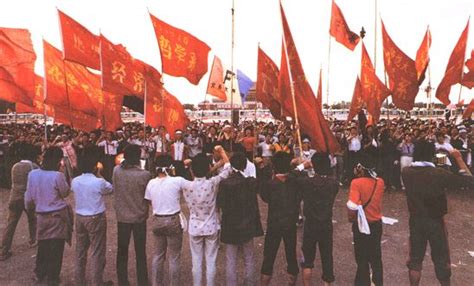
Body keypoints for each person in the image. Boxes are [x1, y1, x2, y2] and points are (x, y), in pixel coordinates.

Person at [402, 141, 474, 286]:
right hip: (435, 221)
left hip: (416, 220)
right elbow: (469, 181)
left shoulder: (406, 172)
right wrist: (459, 158)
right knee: (441, 259)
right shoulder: (439, 174)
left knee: (415, 260)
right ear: (431, 155)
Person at [24, 146, 72, 285]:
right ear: (58, 160)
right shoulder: (57, 176)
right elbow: (65, 193)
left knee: (43, 246)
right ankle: (52, 277)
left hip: (41, 215)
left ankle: (40, 273)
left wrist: (31, 212)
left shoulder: (33, 174)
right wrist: (63, 174)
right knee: (56, 247)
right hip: (57, 216)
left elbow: (28, 198)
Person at [182, 147, 230, 286]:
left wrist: (190, 164)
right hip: (211, 226)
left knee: (196, 262)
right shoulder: (212, 183)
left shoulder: (186, 185)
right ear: (208, 168)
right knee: (211, 261)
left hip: (195, 227)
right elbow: (228, 168)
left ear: (192, 170)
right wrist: (222, 151)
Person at [217, 152, 264, 286]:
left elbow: (220, 204)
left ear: (231, 166)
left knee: (231, 259)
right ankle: (250, 283)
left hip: (230, 224)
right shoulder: (250, 182)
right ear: (245, 166)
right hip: (247, 223)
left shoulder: (225, 183)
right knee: (249, 257)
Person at [259, 152, 305, 286]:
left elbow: (265, 197)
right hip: (290, 224)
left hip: (274, 224)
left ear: (274, 167)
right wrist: (299, 167)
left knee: (269, 257)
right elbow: (299, 177)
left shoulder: (270, 184)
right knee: (291, 256)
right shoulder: (296, 182)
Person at [71, 147, 113, 286]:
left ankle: (79, 281)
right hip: (95, 216)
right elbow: (110, 189)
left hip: (80, 216)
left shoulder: (75, 180)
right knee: (97, 252)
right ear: (95, 167)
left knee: (80, 251)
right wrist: (100, 174)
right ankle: (97, 282)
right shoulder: (98, 181)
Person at [145, 154, 189, 286]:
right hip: (173, 219)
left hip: (158, 219)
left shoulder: (151, 183)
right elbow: (193, 185)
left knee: (158, 255)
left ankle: (156, 283)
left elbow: (149, 201)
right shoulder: (177, 181)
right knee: (174, 257)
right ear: (170, 167)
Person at [113, 144, 151, 286]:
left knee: (122, 250)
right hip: (139, 216)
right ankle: (142, 281)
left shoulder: (116, 171)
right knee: (140, 251)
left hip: (122, 216)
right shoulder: (145, 175)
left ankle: (122, 280)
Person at [299, 153, 339, 286]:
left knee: (308, 260)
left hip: (310, 224)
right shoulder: (333, 184)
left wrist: (302, 166)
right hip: (326, 224)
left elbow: (292, 176)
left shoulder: (307, 183)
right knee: (327, 258)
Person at [346, 156, 385, 286]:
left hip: (362, 225)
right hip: (376, 224)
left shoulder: (356, 183)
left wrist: (351, 218)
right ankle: (378, 282)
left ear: (360, 168)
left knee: (362, 258)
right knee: (375, 257)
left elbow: (352, 205)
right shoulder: (380, 182)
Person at [0, 143, 38, 261]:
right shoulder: (34, 167)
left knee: (11, 223)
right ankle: (32, 240)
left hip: (14, 197)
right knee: (32, 219)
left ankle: (3, 249)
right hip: (27, 198)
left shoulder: (15, 166)